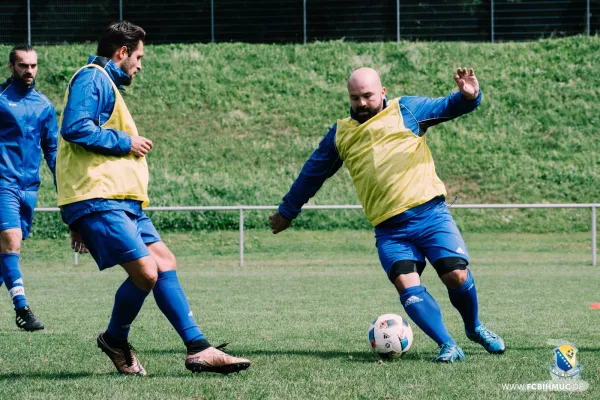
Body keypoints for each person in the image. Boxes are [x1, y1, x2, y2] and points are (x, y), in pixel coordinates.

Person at [269, 67, 505, 363]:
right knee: (407, 284)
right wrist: (287, 212)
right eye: (355, 98)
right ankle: (447, 344)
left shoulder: (406, 109)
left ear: (382, 92)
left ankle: (474, 327)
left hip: (431, 216)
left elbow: (448, 106)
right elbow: (312, 174)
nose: (362, 103)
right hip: (390, 230)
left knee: (456, 275)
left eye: (368, 95)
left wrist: (469, 96)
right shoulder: (341, 134)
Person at [56, 21, 251, 376]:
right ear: (121, 52)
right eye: (138, 57)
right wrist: (125, 142)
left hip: (121, 202)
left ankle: (198, 349)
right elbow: (75, 128)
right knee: (146, 273)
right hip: (102, 199)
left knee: (164, 261)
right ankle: (115, 339)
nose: (140, 65)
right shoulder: (92, 78)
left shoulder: (104, 84)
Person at [0, 45, 58, 331]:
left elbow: (53, 151)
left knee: (8, 253)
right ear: (11, 67)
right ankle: (22, 308)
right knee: (11, 241)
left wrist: (67, 189)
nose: (29, 71)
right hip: (3, 184)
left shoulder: (44, 106)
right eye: (23, 65)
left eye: (33, 66)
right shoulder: (0, 100)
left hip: (29, 189)